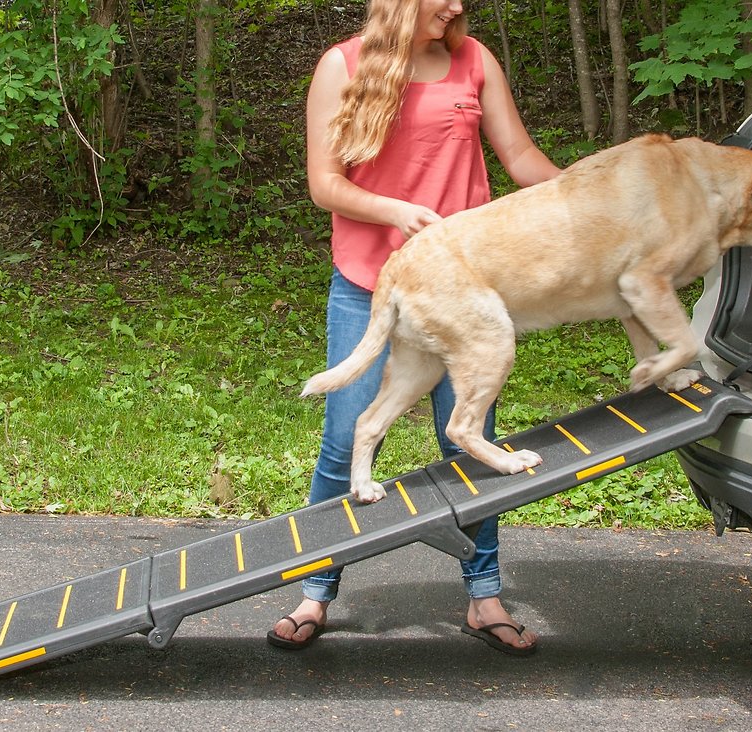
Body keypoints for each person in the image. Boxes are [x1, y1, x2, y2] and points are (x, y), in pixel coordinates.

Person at [267, 0, 561, 656]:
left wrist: (590, 191)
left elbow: (519, 157)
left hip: (462, 292)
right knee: (344, 439)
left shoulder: (474, 60)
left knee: (470, 440)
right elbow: (325, 183)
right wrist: (393, 209)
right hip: (371, 287)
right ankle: (315, 590)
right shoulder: (342, 66)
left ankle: (484, 598)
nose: (456, 6)